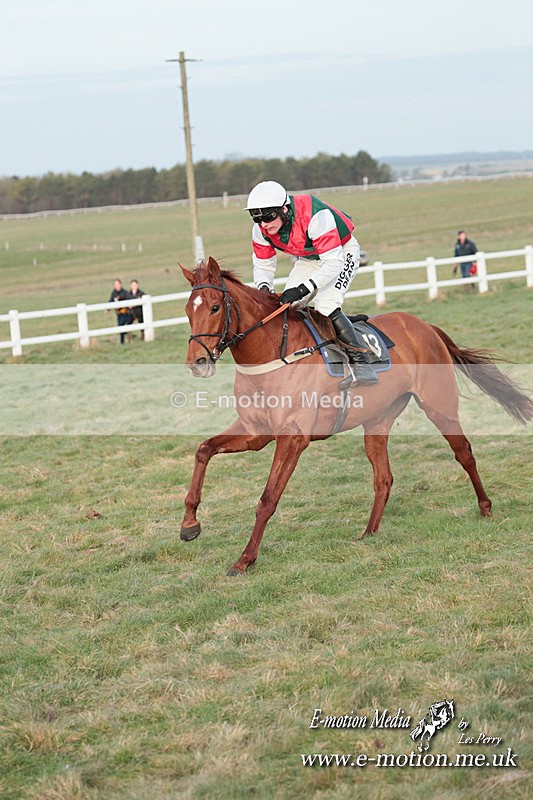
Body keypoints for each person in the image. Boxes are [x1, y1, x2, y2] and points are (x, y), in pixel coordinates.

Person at [246, 180, 377, 385]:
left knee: (326, 304)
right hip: (310, 258)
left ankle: (362, 364)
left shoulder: (316, 216)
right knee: (288, 307)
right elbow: (263, 265)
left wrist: (302, 289)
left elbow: (333, 264)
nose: (264, 224)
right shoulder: (260, 230)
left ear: (284, 209)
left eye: (269, 217)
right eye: (257, 218)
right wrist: (264, 288)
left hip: (341, 254)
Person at [107, 279, 132, 344]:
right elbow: (111, 301)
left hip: (125, 312)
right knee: (121, 326)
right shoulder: (113, 293)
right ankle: (123, 340)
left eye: (117, 284)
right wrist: (107, 309)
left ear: (120, 284)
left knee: (122, 325)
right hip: (118, 313)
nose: (116, 286)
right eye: (115, 284)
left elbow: (129, 299)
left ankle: (123, 340)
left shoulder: (125, 292)